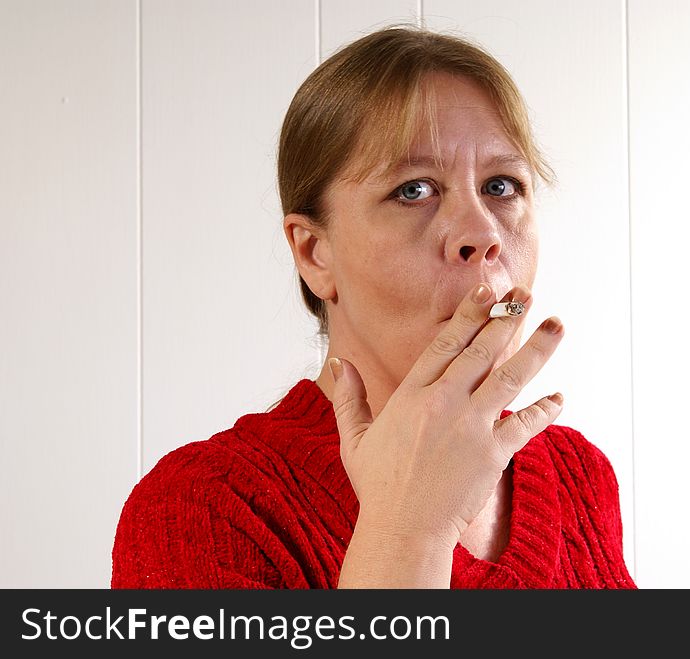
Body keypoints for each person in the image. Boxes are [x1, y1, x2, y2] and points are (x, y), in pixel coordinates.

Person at [111, 24, 636, 589]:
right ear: (315, 254)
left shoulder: (578, 474)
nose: (481, 233)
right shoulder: (204, 507)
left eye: (502, 186)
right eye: (414, 190)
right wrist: (408, 533)